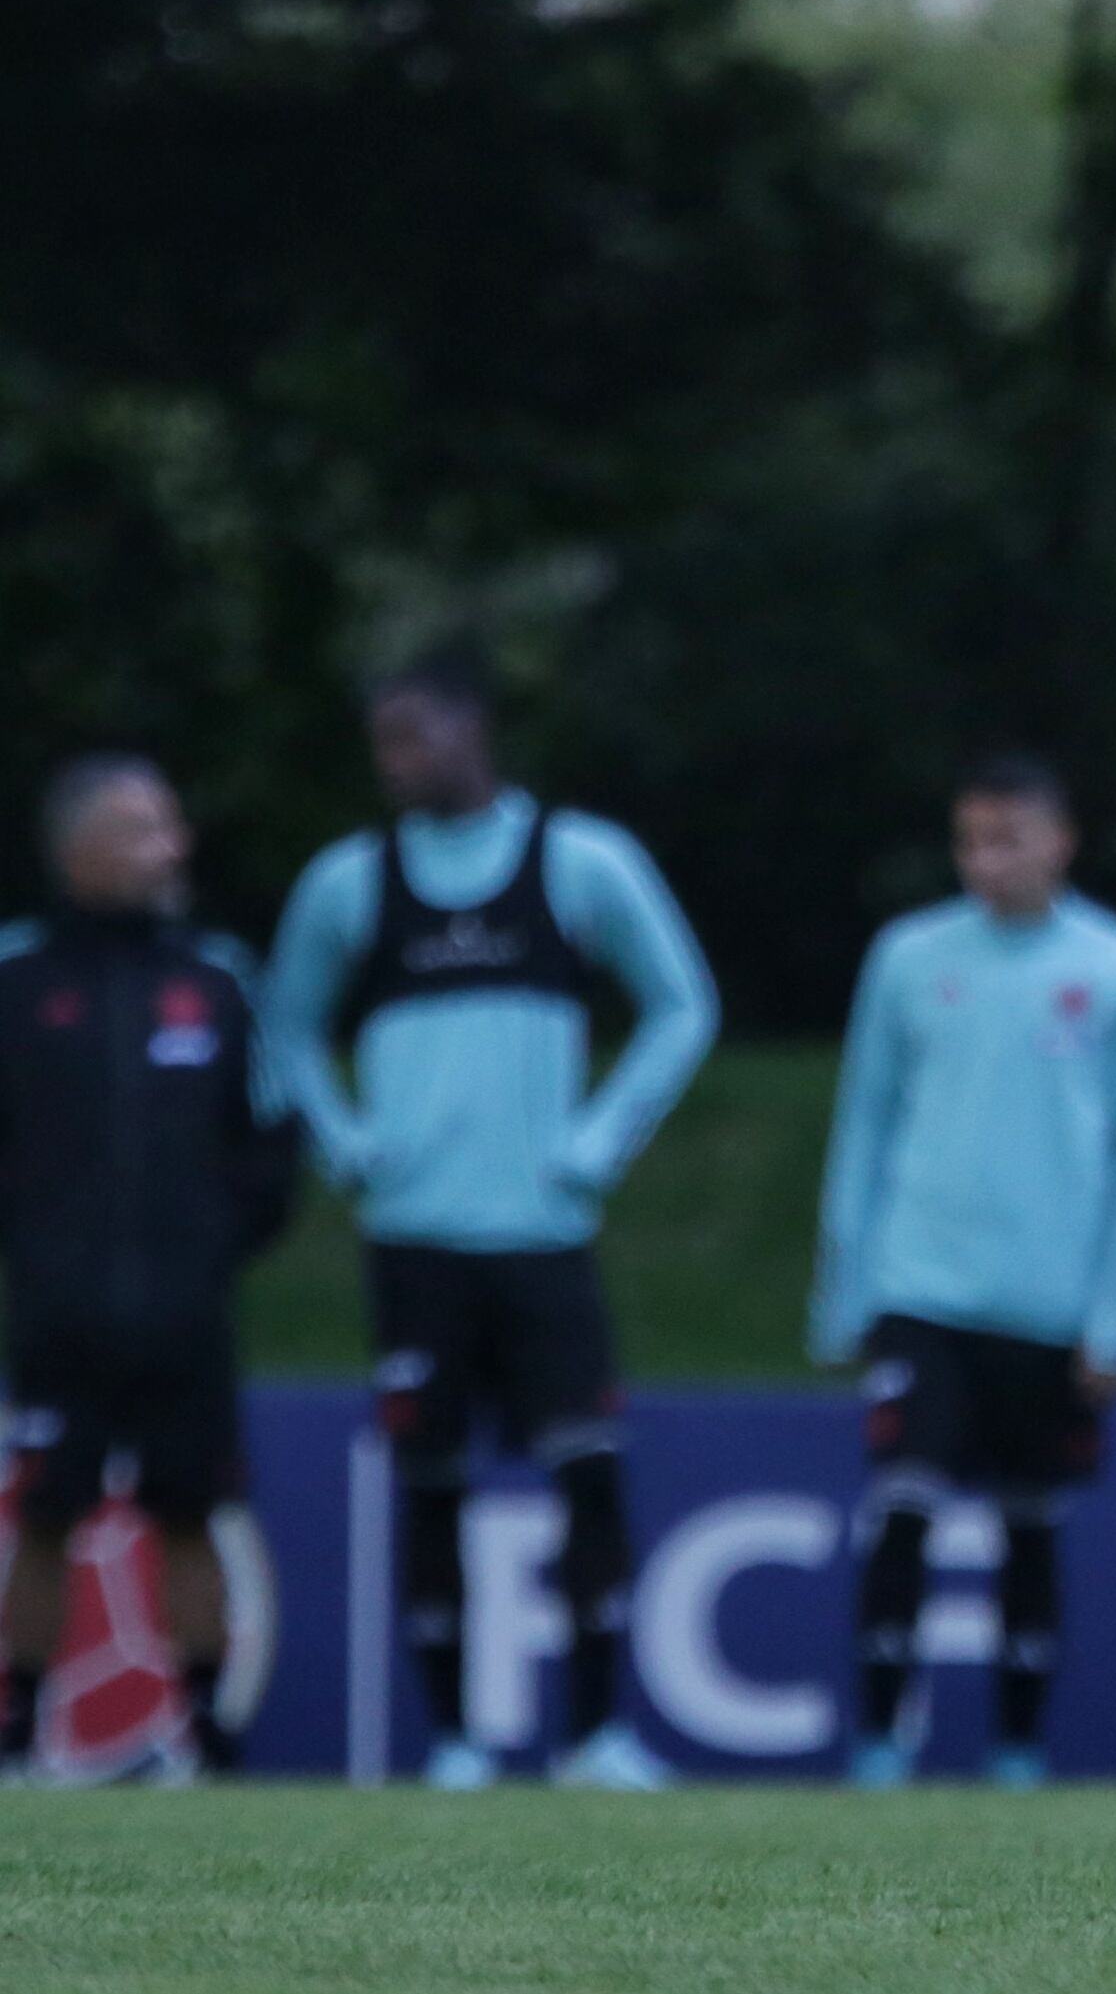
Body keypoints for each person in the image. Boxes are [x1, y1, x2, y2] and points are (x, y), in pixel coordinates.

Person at [264, 652, 717, 1790]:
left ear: (472, 730)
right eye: (383, 744)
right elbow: (287, 1025)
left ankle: (595, 1735)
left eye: (411, 737)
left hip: (543, 1242)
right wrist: (345, 1137)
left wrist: (600, 1137)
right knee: (431, 1487)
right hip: (414, 1242)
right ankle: (458, 1741)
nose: (395, 763)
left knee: (589, 1479)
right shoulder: (350, 881)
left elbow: (681, 1004)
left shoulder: (579, 862)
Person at [810, 754, 1116, 1790]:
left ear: (1060, 839)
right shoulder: (908, 956)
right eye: (970, 838)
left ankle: (1017, 1753)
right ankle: (881, 1744)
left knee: (1029, 1523)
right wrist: (843, 1290)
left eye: (1009, 836)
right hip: (920, 1289)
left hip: (1052, 1305)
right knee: (900, 1506)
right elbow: (865, 1125)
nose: (988, 858)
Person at [0, 757, 298, 1783]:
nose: (170, 847)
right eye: (142, 829)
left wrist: (211, 1250)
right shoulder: (17, 978)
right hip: (58, 1317)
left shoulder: (216, 978)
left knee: (190, 1512)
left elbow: (272, 1141)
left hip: (185, 1317)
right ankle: (17, 1738)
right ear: (79, 848)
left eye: (171, 826)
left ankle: (212, 1746)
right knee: (45, 1517)